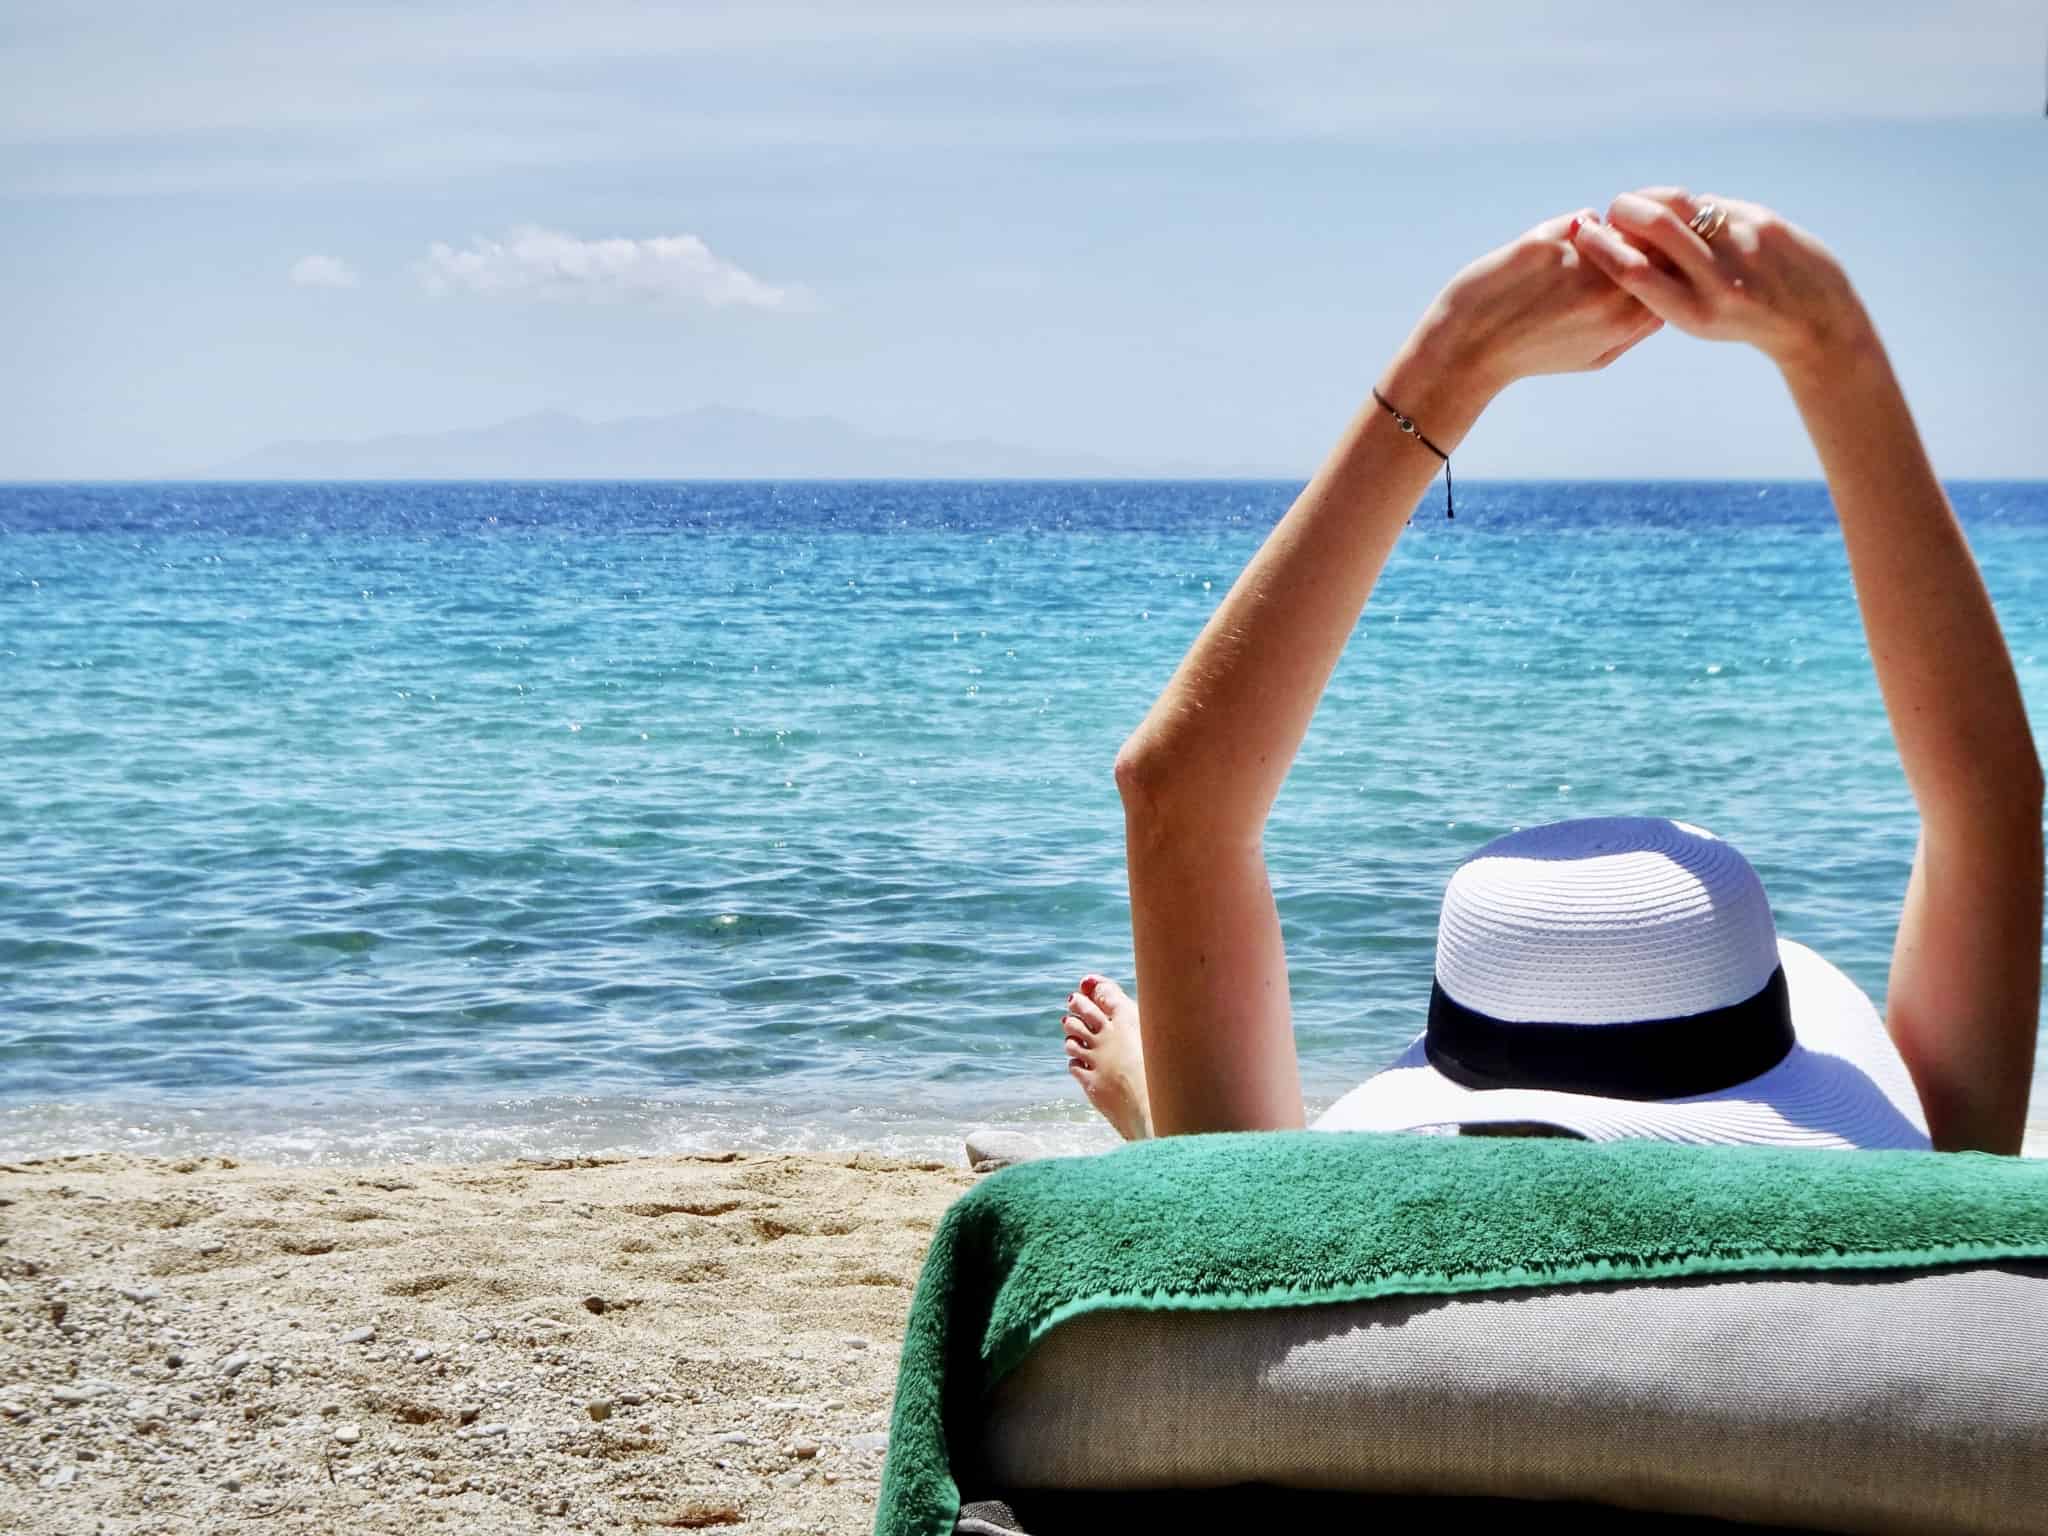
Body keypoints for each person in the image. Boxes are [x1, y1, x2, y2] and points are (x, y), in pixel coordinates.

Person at [1059, 189, 2042, 1156]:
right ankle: (1174, 1134)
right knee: (1214, 1166)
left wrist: (1447, 365)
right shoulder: (1923, 1236)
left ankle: (1167, 1132)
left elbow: (1172, 800)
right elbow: (1990, 807)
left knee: (1204, 1170)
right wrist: (1834, 350)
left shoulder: (1288, 1266)